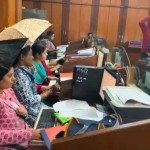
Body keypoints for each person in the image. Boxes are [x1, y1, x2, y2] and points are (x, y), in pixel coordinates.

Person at [0, 39, 42, 149]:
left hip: (24, 137)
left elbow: (20, 106)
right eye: (9, 76)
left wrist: (23, 110)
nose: (14, 79)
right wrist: (30, 134)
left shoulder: (8, 90)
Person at [13, 45, 57, 127]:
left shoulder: (25, 70)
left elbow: (32, 89)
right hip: (32, 113)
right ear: (22, 57)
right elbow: (30, 101)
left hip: (36, 107)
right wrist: (49, 91)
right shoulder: (20, 76)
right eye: (30, 55)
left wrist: (31, 71)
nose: (33, 58)